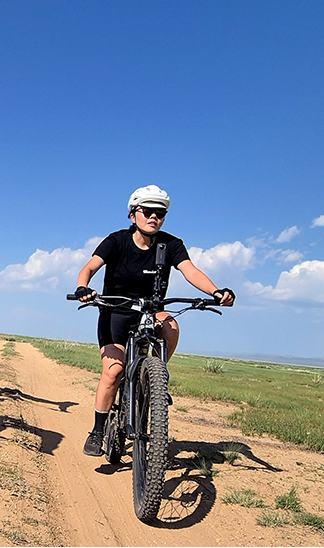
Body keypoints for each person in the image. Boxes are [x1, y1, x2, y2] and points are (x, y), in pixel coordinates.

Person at [74, 185, 234, 456]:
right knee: (113, 372)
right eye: (147, 211)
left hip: (151, 310)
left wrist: (216, 291)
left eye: (160, 213)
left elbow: (190, 271)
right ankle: (98, 430)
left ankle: (153, 379)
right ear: (133, 214)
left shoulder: (171, 244)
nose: (154, 217)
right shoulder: (116, 241)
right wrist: (82, 287)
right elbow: (90, 266)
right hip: (116, 309)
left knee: (171, 324)